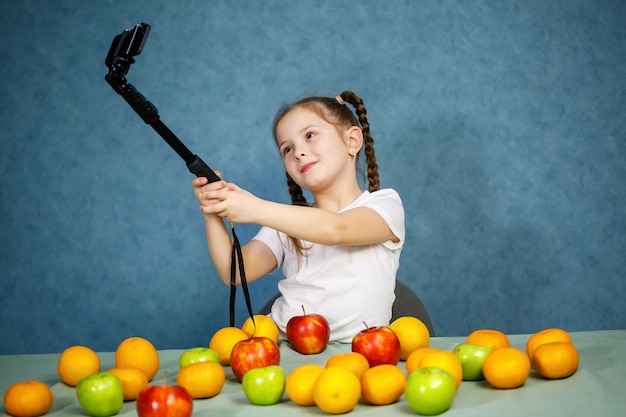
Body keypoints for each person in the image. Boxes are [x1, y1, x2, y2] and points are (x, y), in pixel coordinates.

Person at [192, 91, 404, 342]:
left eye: (310, 135)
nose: (298, 152)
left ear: (352, 141)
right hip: (286, 351)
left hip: (358, 357)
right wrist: (212, 211)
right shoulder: (286, 224)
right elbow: (236, 271)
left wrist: (257, 209)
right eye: (287, 148)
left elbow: (338, 230)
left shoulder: (384, 205)